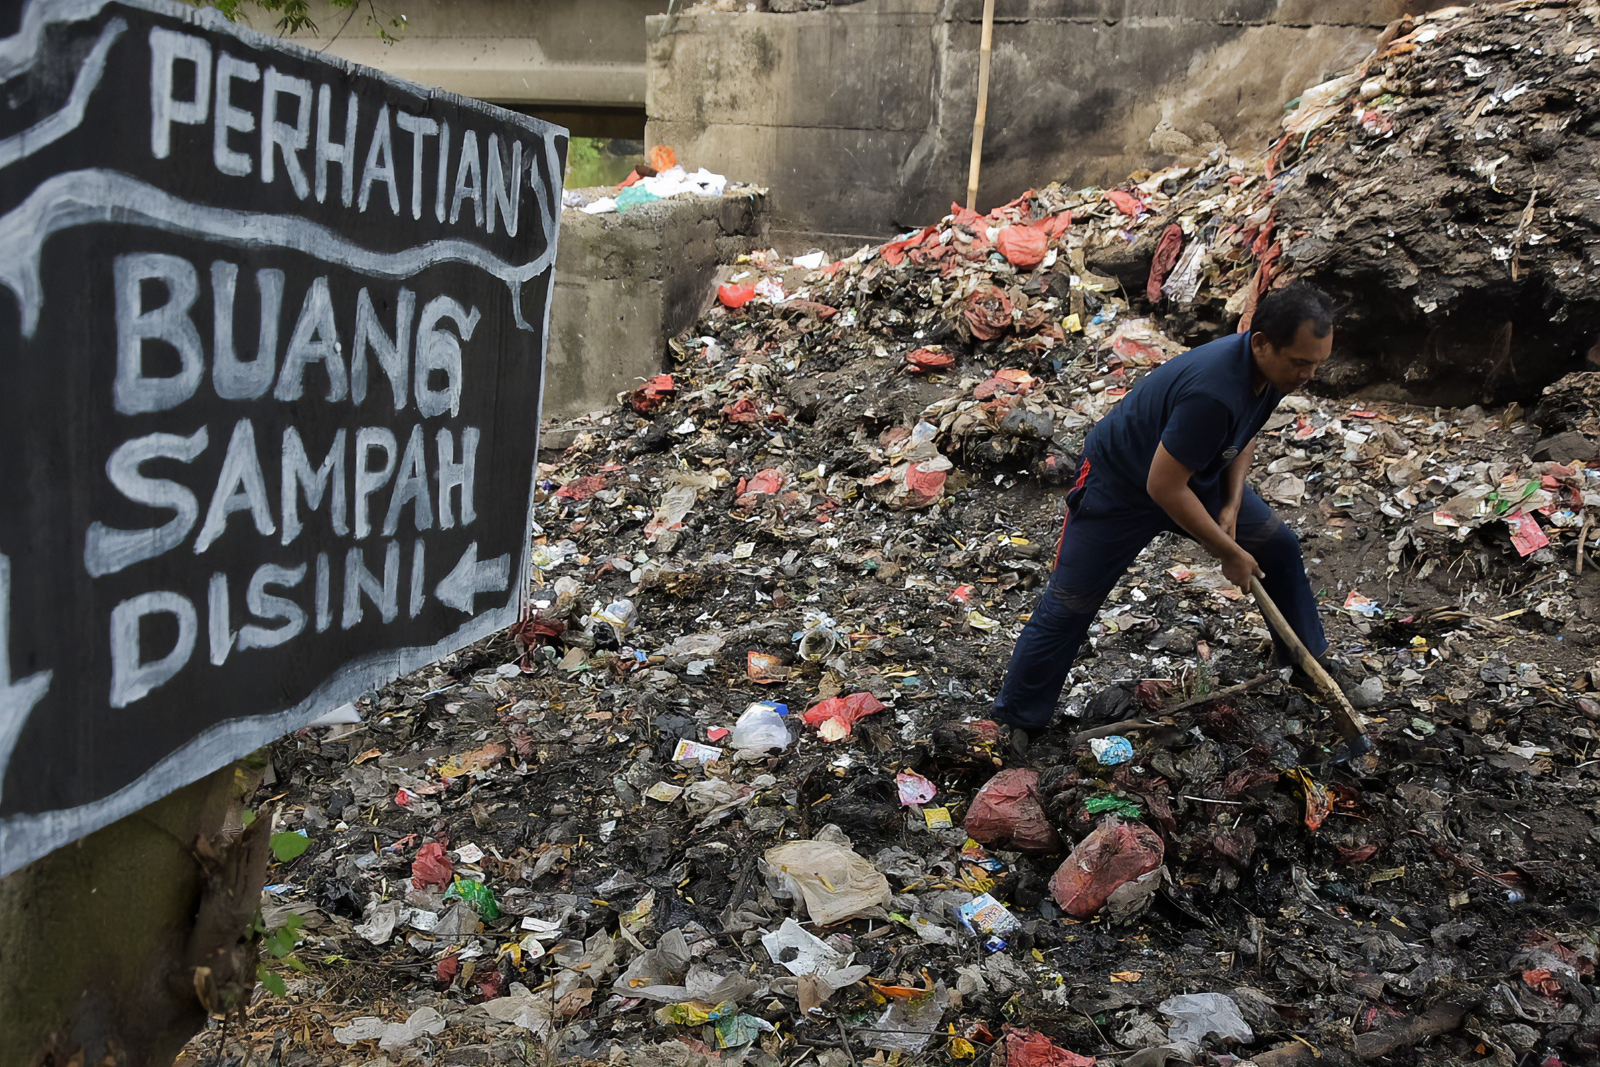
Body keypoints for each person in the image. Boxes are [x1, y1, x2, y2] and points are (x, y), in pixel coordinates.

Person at [991, 283, 1337, 743]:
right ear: (1261, 343)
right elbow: (1163, 486)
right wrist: (1227, 551)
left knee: (1277, 545)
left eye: (1317, 363)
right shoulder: (1214, 390)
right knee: (1071, 602)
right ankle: (1017, 717)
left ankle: (1305, 659)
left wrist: (1232, 503)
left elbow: (1246, 429)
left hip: (1196, 471)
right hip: (1120, 484)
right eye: (1301, 363)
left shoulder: (1275, 373)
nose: (1309, 374)